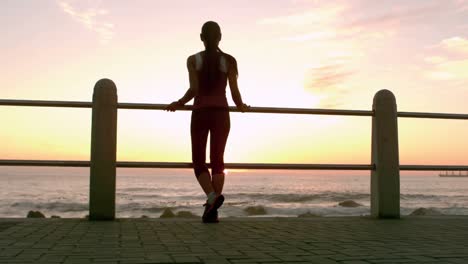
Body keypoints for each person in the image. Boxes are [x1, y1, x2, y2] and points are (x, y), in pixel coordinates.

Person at [166, 21, 249, 223]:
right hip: (221, 114)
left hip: (201, 113)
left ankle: (212, 198)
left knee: (198, 161)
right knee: (218, 161)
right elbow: (235, 92)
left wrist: (178, 103)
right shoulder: (229, 60)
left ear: (201, 37)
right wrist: (241, 105)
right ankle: (212, 211)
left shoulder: (193, 60)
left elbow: (193, 90)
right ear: (220, 37)